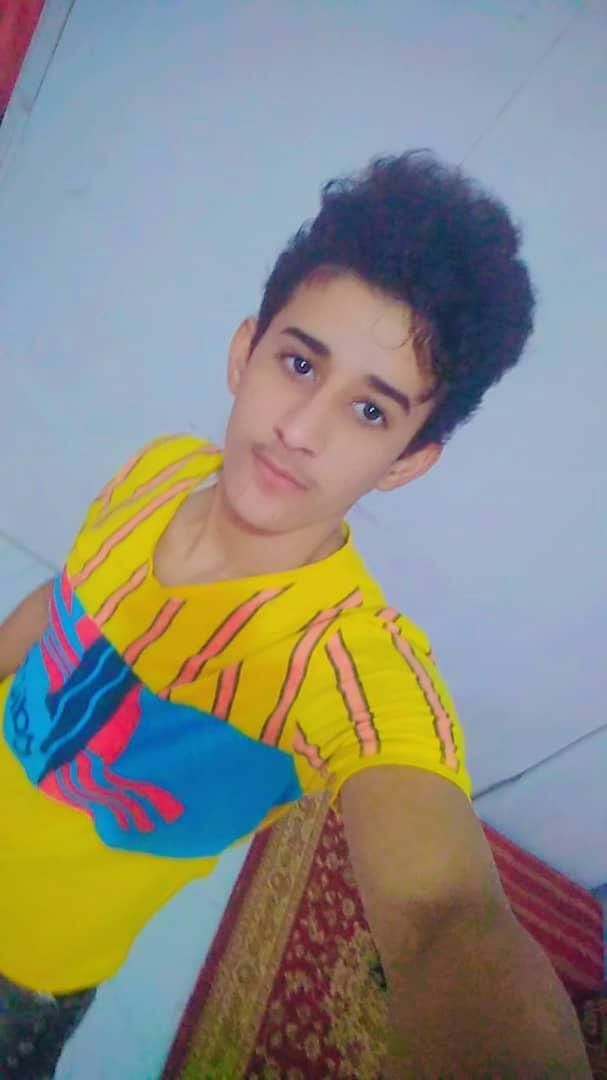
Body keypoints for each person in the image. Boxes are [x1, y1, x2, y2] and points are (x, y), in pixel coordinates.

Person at [0, 150, 591, 1078]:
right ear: (245, 353)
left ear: (407, 460)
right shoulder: (160, 470)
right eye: (299, 362)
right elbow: (56, 606)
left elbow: (444, 919)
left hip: (26, 973)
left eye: (369, 411)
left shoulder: (343, 666)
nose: (301, 428)